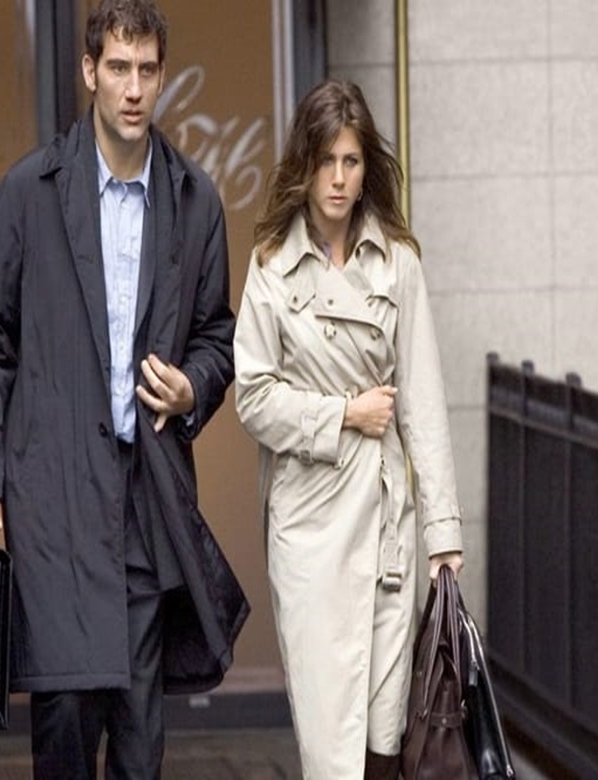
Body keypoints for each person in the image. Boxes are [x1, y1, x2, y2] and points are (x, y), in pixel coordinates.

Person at [0, 1, 248, 777]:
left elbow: (217, 336)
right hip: (52, 498)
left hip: (147, 500)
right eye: (118, 67)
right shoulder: (30, 191)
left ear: (163, 76)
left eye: (147, 69)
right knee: (65, 722)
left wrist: (192, 389)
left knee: (141, 744)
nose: (133, 87)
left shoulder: (195, 200)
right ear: (90, 71)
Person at [234, 79, 465, 780]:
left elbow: (423, 401)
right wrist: (342, 415)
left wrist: (443, 535)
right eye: (325, 161)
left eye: (352, 161)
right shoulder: (272, 265)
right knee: (330, 744)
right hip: (309, 528)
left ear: (368, 168)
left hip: (386, 524)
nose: (338, 178)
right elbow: (252, 398)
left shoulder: (398, 263)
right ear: (303, 165)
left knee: (386, 737)